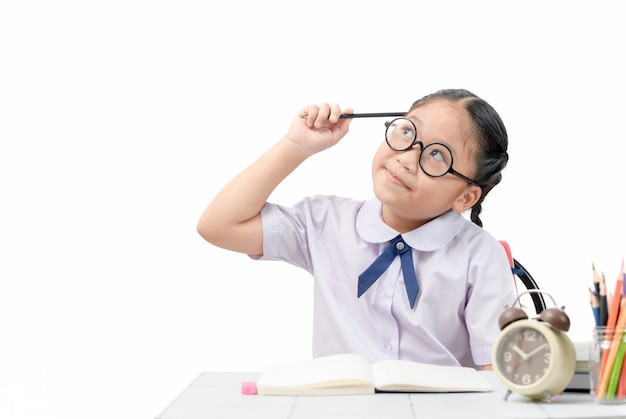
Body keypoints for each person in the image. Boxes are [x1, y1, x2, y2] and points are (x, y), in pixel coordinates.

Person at [197, 88, 517, 369]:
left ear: (466, 196)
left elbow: (499, 375)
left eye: (436, 154)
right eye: (407, 133)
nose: (406, 158)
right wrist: (296, 145)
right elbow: (218, 226)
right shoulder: (325, 222)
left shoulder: (480, 255)